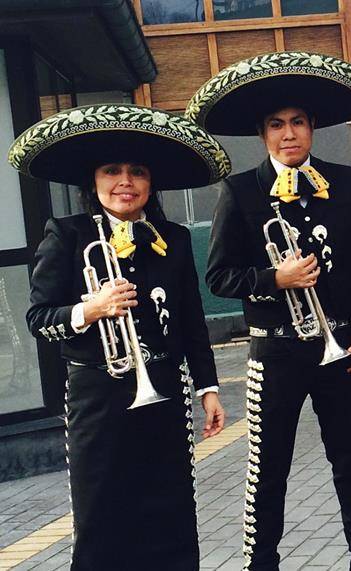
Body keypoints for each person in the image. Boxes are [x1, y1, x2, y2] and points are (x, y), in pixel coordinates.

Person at [186, 51, 351, 570]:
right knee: (268, 467)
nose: (288, 133)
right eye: (277, 125)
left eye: (297, 122)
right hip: (274, 352)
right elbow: (219, 277)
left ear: (312, 126)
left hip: (341, 348)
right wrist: (274, 279)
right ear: (263, 134)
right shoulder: (239, 190)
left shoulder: (345, 181)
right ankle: (263, 564)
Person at [10, 103, 231, 570]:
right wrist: (90, 309)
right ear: (94, 181)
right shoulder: (66, 234)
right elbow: (38, 318)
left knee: (170, 514)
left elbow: (191, 320)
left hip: (165, 392)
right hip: (97, 399)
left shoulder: (172, 237)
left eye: (137, 172)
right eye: (112, 171)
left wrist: (207, 388)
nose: (125, 182)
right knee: (102, 520)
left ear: (151, 184)